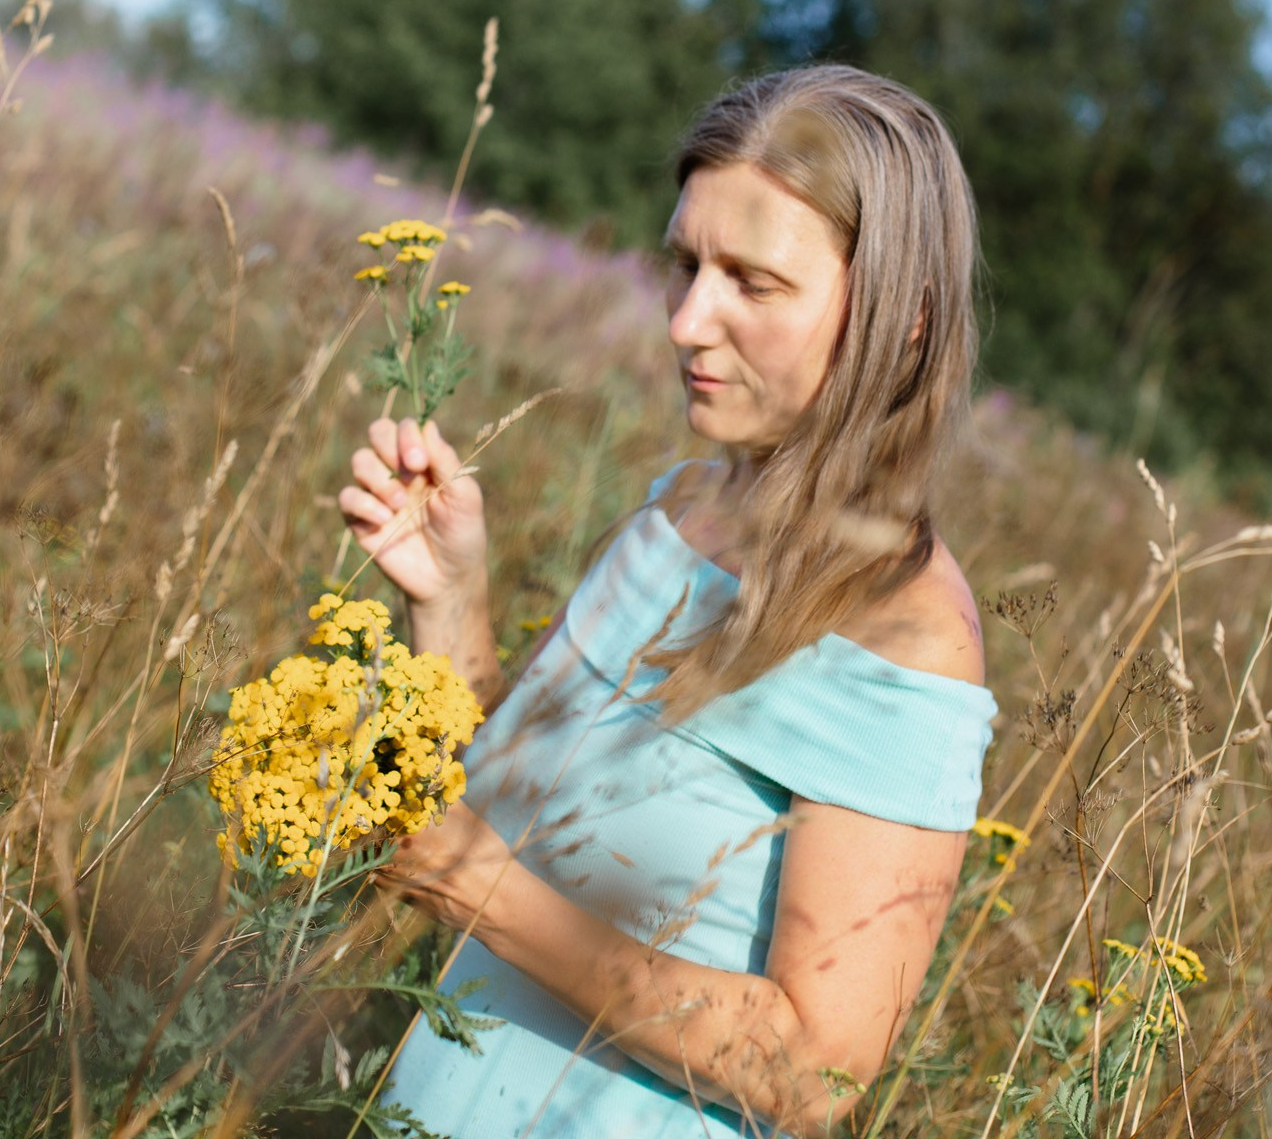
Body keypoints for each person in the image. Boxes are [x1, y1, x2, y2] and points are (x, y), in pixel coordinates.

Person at [340, 65, 997, 1136]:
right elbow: (520, 799)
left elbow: (815, 1074)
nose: (689, 321)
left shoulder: (908, 643)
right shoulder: (682, 510)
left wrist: (480, 891)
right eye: (685, 264)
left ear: (903, 319)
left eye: (754, 280)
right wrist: (450, 595)